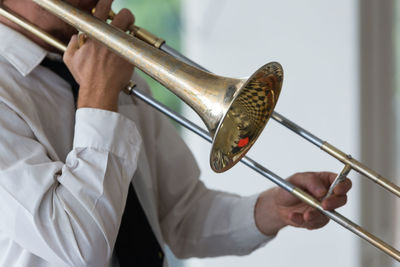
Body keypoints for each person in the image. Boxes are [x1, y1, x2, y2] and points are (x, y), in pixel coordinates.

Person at [0, 0, 351, 266]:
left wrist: (273, 209)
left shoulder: (111, 73)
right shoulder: (99, 83)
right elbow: (79, 243)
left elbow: (181, 215)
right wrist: (99, 97)